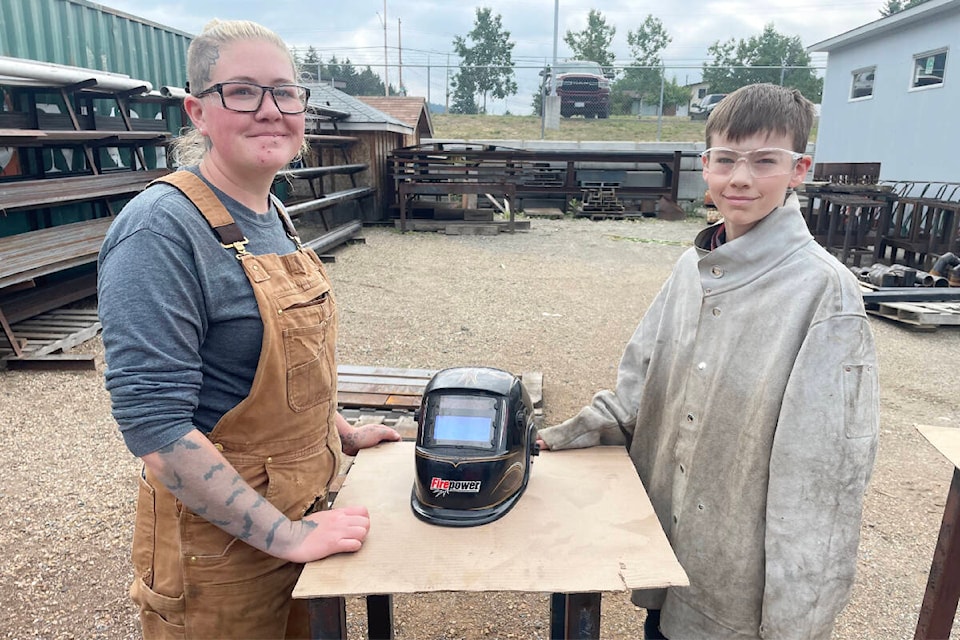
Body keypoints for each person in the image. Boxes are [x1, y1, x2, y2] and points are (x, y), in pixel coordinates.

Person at [536, 83, 879, 640]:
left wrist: (798, 618)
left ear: (799, 169)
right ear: (707, 166)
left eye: (765, 161)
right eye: (727, 160)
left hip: (738, 582)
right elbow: (638, 386)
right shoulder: (691, 269)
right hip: (668, 545)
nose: (741, 178)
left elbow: (825, 477)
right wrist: (565, 434)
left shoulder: (824, 293)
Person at [97, 19, 400, 639]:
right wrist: (283, 536)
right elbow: (154, 427)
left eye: (285, 93)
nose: (270, 110)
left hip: (304, 515)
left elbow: (272, 366)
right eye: (243, 92)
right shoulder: (159, 231)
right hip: (220, 558)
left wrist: (339, 431)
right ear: (198, 111)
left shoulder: (274, 211)